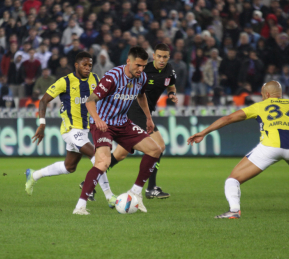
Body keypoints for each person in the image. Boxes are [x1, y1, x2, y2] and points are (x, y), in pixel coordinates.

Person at [188, 81, 289, 219]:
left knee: (232, 180)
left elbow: (227, 119)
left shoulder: (260, 106)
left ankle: (234, 210)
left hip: (269, 148)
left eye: (261, 95)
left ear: (266, 95)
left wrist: (204, 132)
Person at [79, 43, 177, 199]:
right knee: (159, 146)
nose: (162, 60)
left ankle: (90, 182)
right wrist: (98, 119)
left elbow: (165, 87)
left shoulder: (167, 71)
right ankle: (150, 188)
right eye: (159, 56)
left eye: (165, 57)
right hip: (131, 111)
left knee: (120, 154)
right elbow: (93, 99)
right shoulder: (136, 71)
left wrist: (171, 94)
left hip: (135, 114)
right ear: (154, 56)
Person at [27, 52, 116, 206]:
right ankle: (110, 197)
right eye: (84, 65)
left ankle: (34, 175)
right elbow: (43, 100)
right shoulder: (65, 81)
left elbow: (106, 97)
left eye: (90, 65)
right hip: (70, 130)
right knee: (98, 157)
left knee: (69, 167)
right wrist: (42, 124)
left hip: (85, 130)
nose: (88, 68)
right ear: (76, 65)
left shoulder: (95, 79)